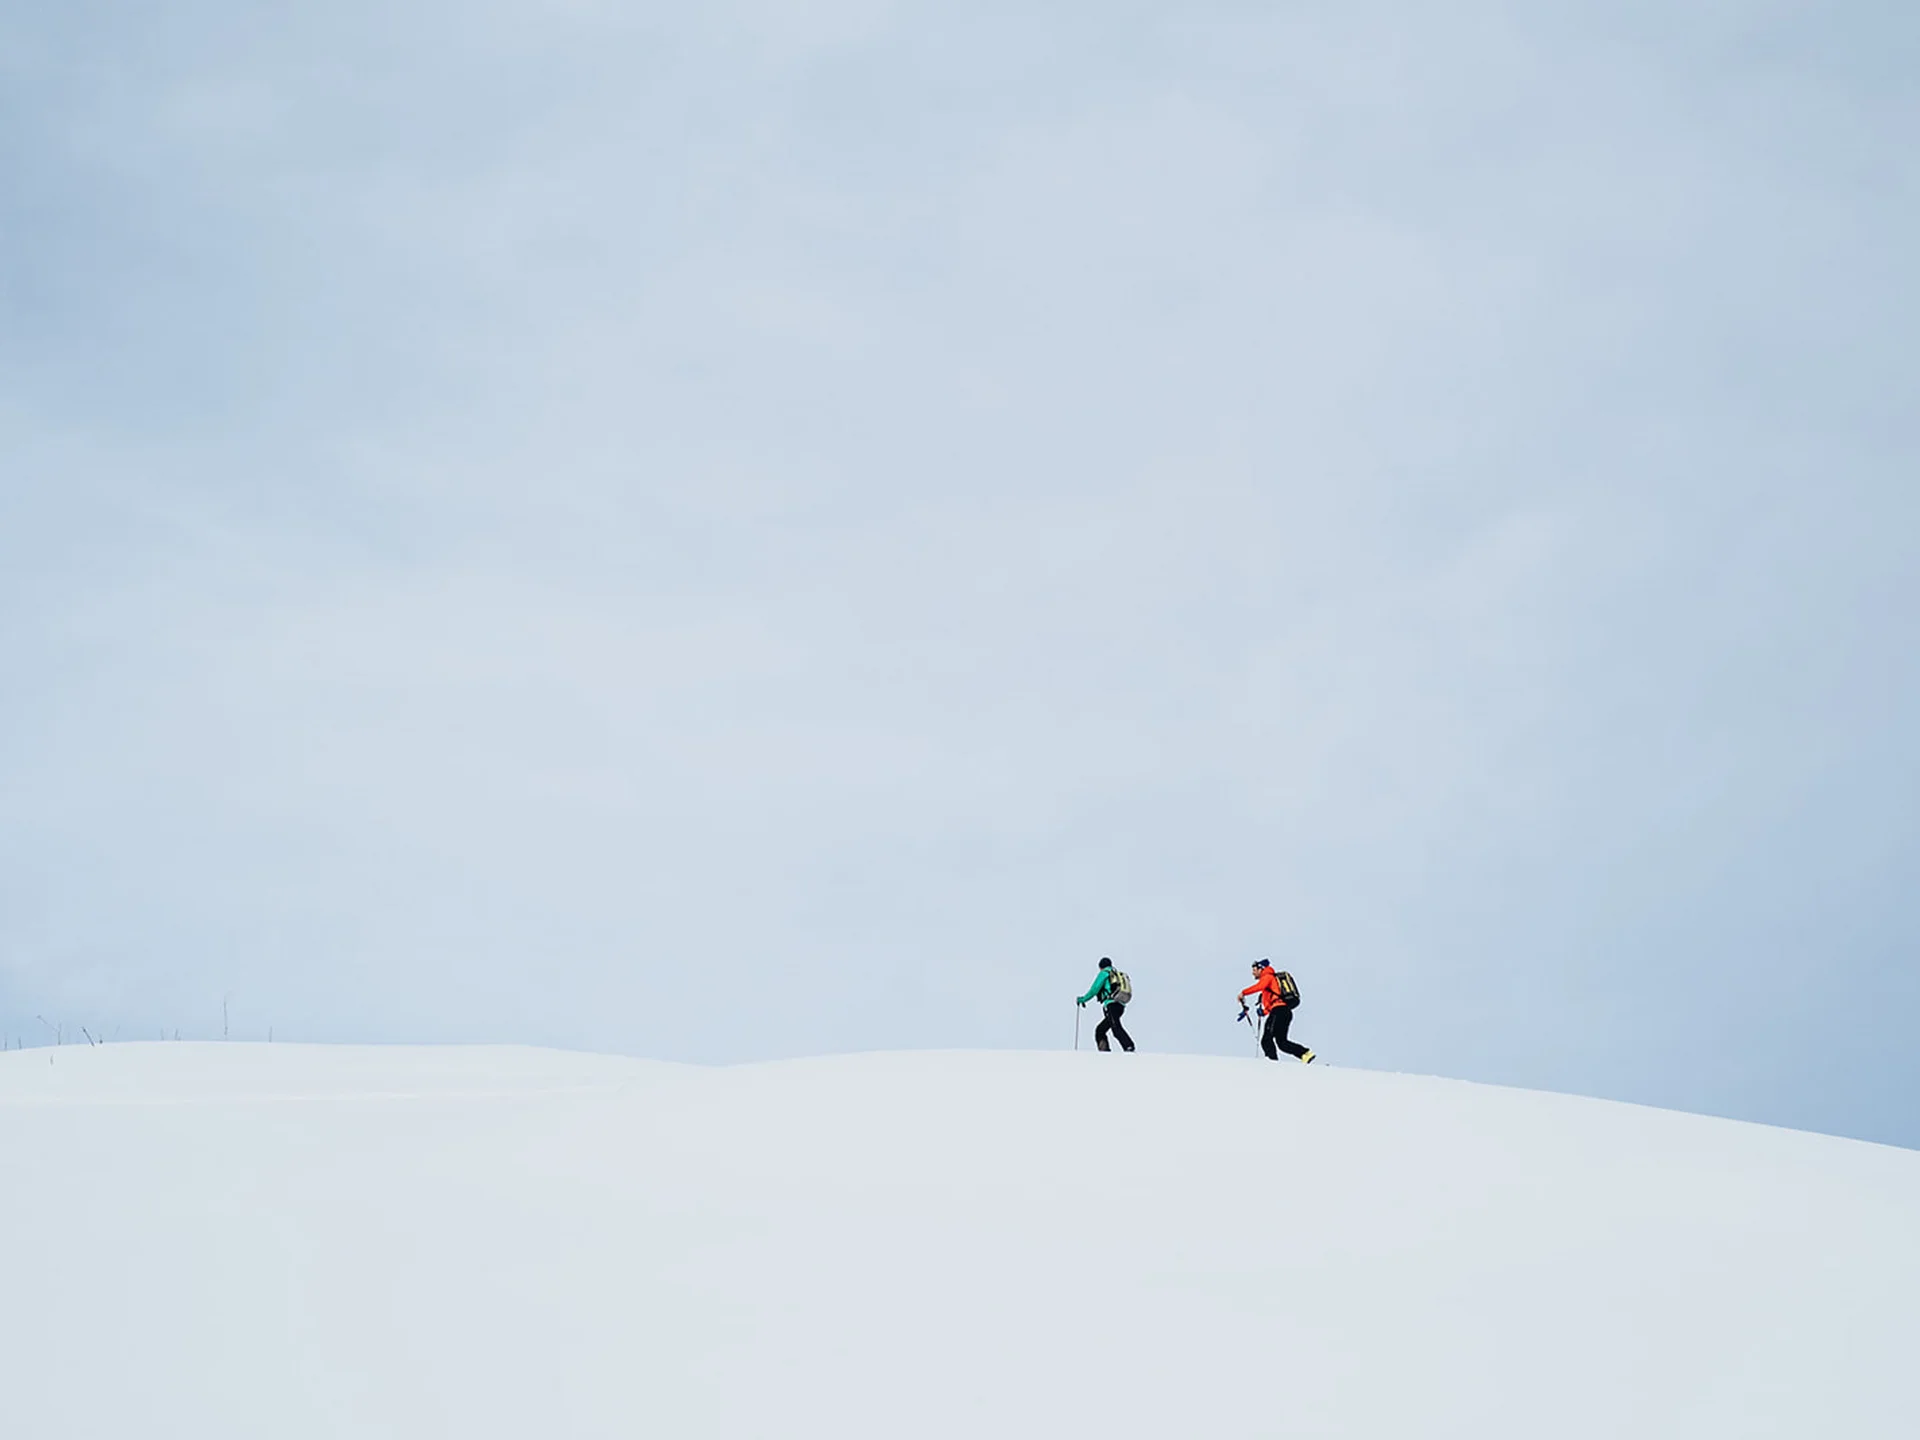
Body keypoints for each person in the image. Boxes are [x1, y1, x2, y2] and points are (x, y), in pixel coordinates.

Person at [1240, 959, 1314, 1063]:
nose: (1253, 972)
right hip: (1283, 1011)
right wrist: (1264, 1012)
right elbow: (1273, 1003)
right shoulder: (1270, 981)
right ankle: (1305, 1054)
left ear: (1261, 968)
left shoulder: (1267, 976)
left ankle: (1272, 1062)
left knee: (1266, 1039)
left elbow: (1259, 987)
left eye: (1254, 969)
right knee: (1282, 1043)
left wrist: (1243, 993)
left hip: (1279, 1011)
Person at [1076, 957, 1134, 1052]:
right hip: (1120, 1005)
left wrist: (1083, 999)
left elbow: (1094, 989)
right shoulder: (1116, 974)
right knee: (1100, 1030)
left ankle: (1129, 1046)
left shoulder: (1104, 973)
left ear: (1101, 967)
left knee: (1116, 1028)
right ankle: (1104, 1050)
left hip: (1111, 1004)